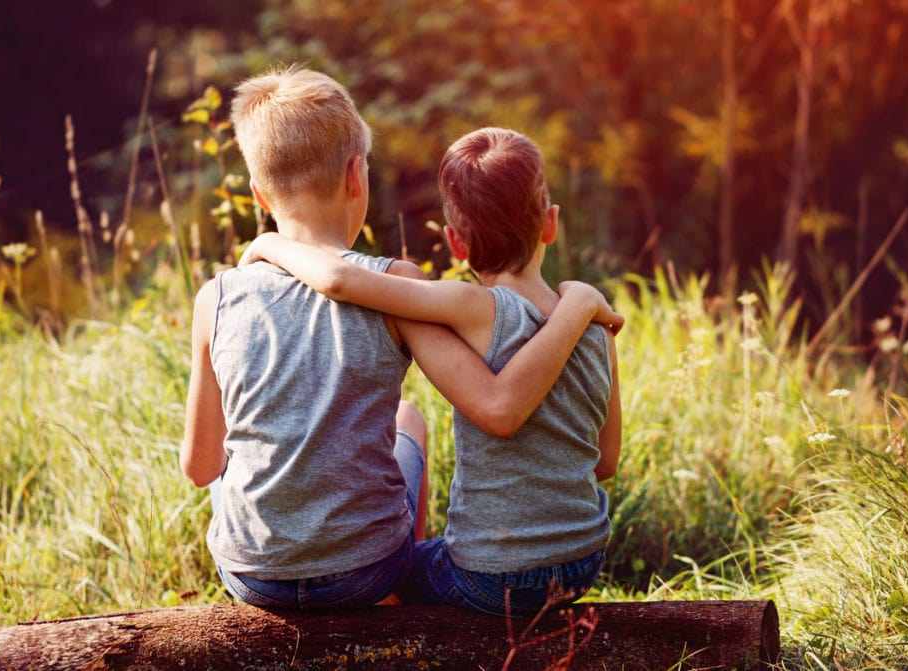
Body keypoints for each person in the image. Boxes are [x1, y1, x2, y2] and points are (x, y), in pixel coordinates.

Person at [180, 68, 622, 610]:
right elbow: (556, 436)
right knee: (406, 421)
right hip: (371, 571)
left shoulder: (215, 299)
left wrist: (266, 246)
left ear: (258, 196)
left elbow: (199, 468)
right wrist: (577, 302)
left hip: (253, 578)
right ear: (355, 177)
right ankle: (389, 599)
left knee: (230, 480)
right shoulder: (398, 284)